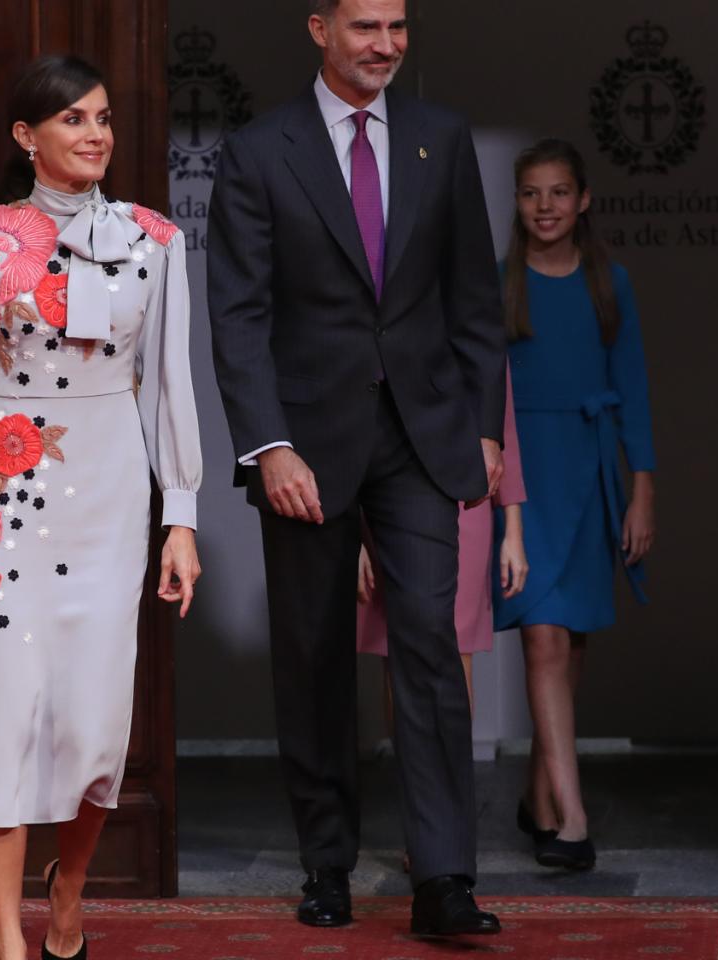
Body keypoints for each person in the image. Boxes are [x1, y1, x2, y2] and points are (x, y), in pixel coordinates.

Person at [208, 0, 505, 938]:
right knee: (316, 656)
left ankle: (445, 879)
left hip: (422, 436)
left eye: (399, 27)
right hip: (306, 445)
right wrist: (269, 444)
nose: (386, 44)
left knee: (428, 643)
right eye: (367, 26)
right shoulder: (260, 151)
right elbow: (239, 317)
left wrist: (485, 425)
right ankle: (327, 864)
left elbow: (473, 295)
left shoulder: (440, 137)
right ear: (319, 29)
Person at [0, 54, 202, 960]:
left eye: (103, 117)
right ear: (27, 138)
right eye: (73, 119)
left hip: (112, 495)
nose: (96, 134)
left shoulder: (156, 241)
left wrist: (179, 515)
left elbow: (169, 388)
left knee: (95, 721)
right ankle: (5, 939)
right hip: (4, 499)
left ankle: (67, 889)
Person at [492, 138, 656, 872]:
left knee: (572, 643)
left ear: (583, 199)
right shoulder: (499, 286)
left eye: (559, 192)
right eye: (532, 193)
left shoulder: (608, 283)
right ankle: (573, 818)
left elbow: (637, 393)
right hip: (525, 478)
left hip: (590, 475)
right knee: (541, 638)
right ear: (517, 202)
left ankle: (538, 795)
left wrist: (641, 488)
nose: (546, 206)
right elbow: (483, 395)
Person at [356, 369, 529, 716]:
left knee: (454, 647)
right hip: (385, 497)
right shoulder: (378, 322)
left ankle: (452, 770)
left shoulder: (473, 323)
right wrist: (355, 536)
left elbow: (502, 423)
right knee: (397, 650)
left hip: (466, 500)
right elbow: (357, 419)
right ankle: (409, 769)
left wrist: (513, 530)